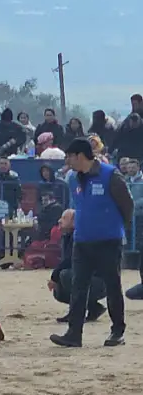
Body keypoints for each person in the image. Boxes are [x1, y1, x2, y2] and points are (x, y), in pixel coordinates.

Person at [50, 139, 132, 347]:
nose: (67, 160)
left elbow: (127, 204)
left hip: (109, 241)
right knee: (78, 287)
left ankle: (117, 331)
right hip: (82, 240)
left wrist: (115, 226)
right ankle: (74, 333)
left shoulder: (109, 174)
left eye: (69, 156)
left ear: (80, 156)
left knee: (113, 286)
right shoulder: (74, 179)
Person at [48, 209, 106, 323]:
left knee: (65, 276)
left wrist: (54, 276)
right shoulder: (68, 236)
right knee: (59, 289)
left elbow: (71, 260)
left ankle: (76, 313)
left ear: (75, 221)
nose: (59, 220)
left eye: (64, 218)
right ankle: (94, 307)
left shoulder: (81, 236)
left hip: (100, 282)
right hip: (89, 278)